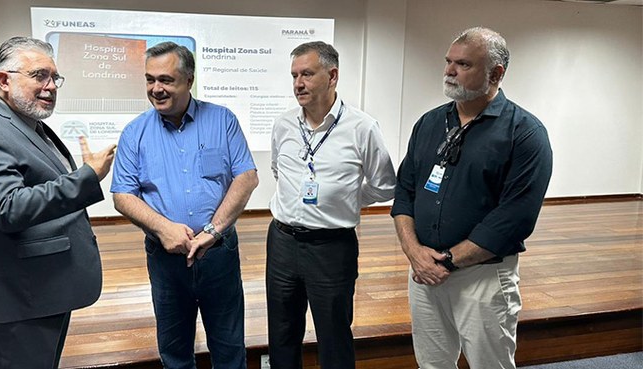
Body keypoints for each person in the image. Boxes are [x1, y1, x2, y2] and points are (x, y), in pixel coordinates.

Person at [0, 36, 116, 369]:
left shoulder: (28, 125)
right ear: (4, 80)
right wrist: (86, 178)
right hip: (13, 301)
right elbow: (8, 209)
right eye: (39, 76)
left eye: (55, 78)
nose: (51, 86)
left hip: (43, 292)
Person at [391, 27, 553, 369]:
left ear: (496, 74)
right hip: (424, 274)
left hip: (483, 279)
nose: (449, 71)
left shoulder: (524, 133)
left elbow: (514, 219)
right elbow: (404, 192)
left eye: (462, 64)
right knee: (432, 364)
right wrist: (415, 253)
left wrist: (447, 260)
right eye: (448, 61)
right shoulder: (430, 122)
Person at [111, 41, 258, 369]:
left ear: (189, 80)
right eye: (150, 80)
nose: (156, 89)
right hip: (166, 258)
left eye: (166, 80)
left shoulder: (222, 120)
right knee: (174, 349)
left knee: (229, 346)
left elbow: (246, 177)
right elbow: (122, 194)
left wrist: (212, 231)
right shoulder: (135, 132)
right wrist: (164, 228)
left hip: (218, 253)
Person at [267, 41, 397, 369]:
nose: (298, 83)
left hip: (331, 248)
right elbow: (278, 171)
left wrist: (347, 198)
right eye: (294, 75)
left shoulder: (361, 127)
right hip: (281, 242)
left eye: (307, 74)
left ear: (332, 75)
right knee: (281, 333)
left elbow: (384, 186)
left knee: (334, 336)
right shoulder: (283, 124)